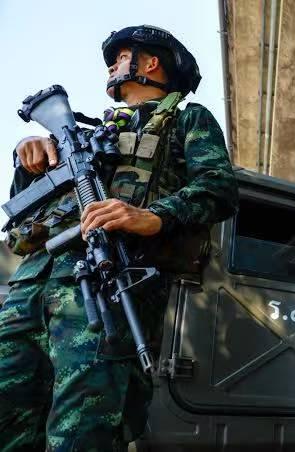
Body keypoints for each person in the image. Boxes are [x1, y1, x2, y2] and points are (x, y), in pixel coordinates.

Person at [0, 25, 238, 451]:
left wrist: (152, 216)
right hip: (32, 285)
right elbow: (26, 212)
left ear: (152, 63)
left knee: (80, 433)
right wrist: (28, 159)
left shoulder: (188, 119)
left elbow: (218, 188)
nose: (112, 66)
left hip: (103, 287)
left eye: (122, 56)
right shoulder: (87, 133)